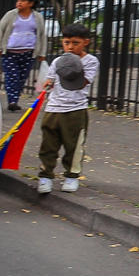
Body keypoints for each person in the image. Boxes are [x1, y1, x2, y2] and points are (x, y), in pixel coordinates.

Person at [33, 23, 99, 195]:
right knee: (48, 145)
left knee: (74, 146)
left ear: (86, 42)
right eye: (67, 42)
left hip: (76, 110)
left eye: (75, 43)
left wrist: (72, 66)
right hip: (53, 109)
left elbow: (82, 82)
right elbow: (49, 80)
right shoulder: (57, 61)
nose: (70, 47)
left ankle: (71, 176)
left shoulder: (90, 61)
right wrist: (46, 83)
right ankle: (45, 176)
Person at [0, 0, 50, 109]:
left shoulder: (37, 17)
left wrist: (42, 53)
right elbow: (0, 31)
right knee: (12, 76)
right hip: (10, 52)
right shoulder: (10, 15)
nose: (19, 3)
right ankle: (12, 101)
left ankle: (15, 98)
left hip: (29, 52)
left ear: (31, 3)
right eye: (18, 0)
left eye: (23, 1)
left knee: (22, 78)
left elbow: (42, 35)